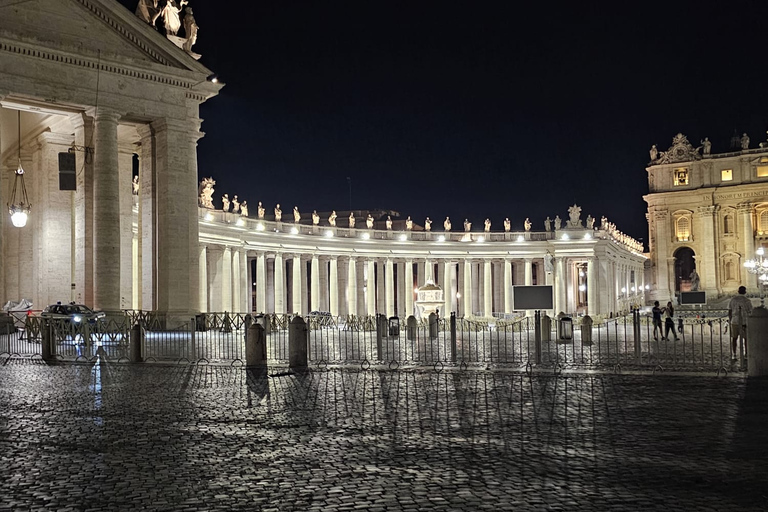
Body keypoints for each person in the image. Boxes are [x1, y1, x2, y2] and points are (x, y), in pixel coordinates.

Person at [728, 285, 753, 360]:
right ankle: (746, 354)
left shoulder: (733, 300)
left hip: (734, 321)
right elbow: (750, 311)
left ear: (738, 291)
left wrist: (730, 320)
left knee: (734, 338)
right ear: (745, 292)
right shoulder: (747, 301)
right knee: (746, 339)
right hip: (744, 322)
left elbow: (730, 310)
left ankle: (734, 354)